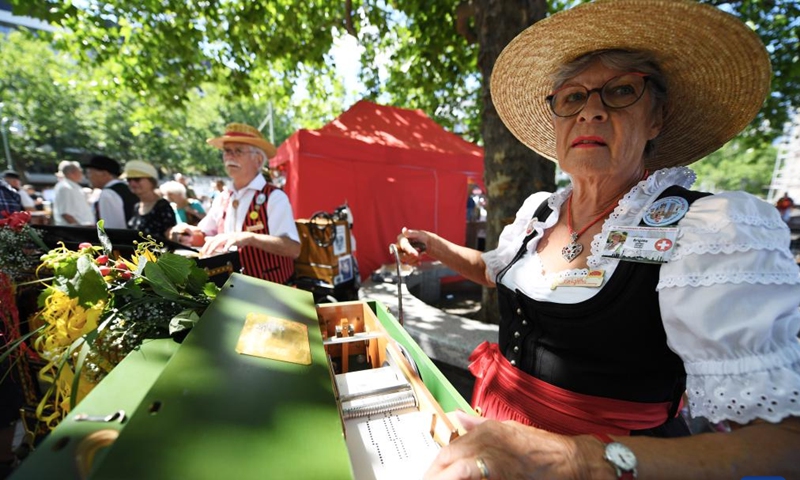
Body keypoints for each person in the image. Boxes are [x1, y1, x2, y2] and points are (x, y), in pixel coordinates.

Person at [395, 2, 800, 479]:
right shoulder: (539, 212)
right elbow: (490, 268)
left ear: (656, 120)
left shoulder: (707, 230)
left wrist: (579, 459)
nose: (592, 110)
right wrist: (434, 245)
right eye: (572, 98)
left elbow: (787, 444)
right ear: (558, 122)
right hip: (490, 440)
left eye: (621, 92)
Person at [169, 123, 300, 284]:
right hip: (232, 289)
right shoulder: (223, 197)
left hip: (272, 292)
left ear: (258, 159)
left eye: (238, 151)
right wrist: (188, 233)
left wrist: (249, 237)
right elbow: (204, 234)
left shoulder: (274, 197)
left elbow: (293, 248)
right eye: (227, 151)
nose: (230, 157)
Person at [122, 160, 176, 239]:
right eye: (129, 180)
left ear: (152, 181)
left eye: (137, 179)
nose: (132, 183)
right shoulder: (137, 207)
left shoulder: (162, 207)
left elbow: (171, 238)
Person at [82, 155, 138, 229]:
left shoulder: (108, 194)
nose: (88, 176)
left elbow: (111, 229)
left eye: (90, 173)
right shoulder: (125, 188)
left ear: (105, 174)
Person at [52, 160, 94, 226]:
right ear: (71, 173)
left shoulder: (73, 186)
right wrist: (79, 228)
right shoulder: (65, 188)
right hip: (74, 231)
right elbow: (65, 213)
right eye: (80, 172)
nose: (82, 175)